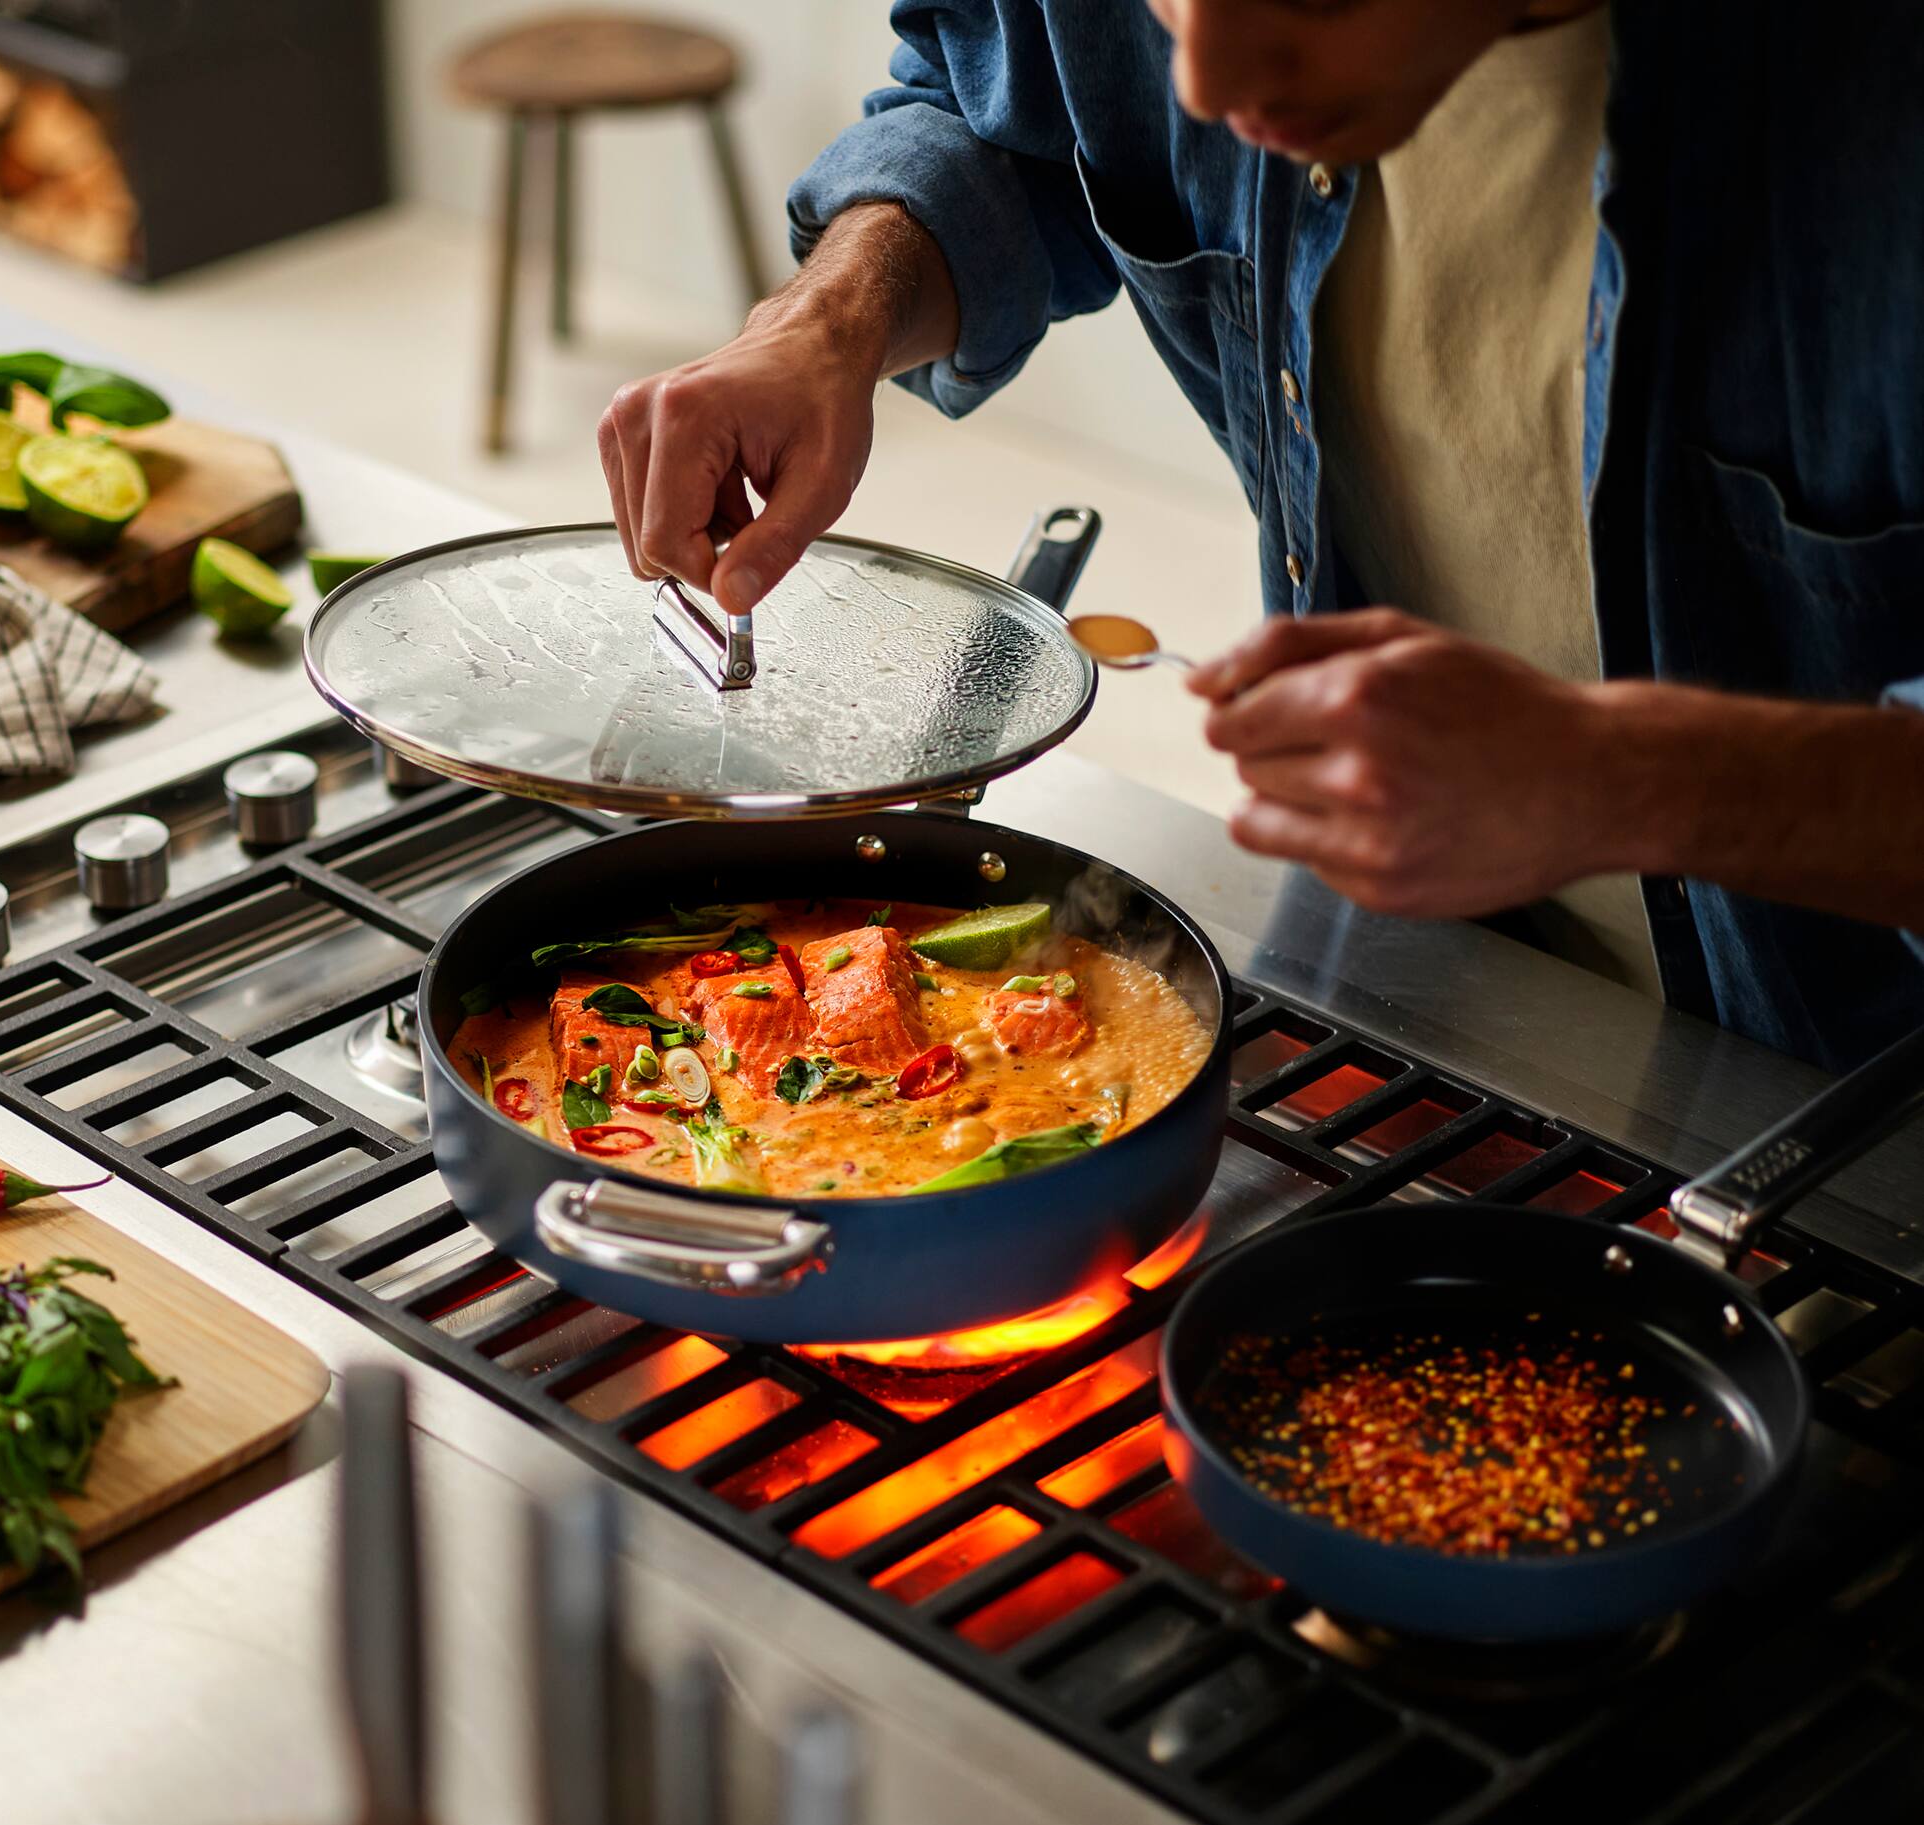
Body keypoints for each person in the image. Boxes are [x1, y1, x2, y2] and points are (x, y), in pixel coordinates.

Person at [596, 0, 1924, 1071]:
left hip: (1854, 1093)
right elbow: (1005, 120)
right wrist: (827, 320)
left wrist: (1628, 781)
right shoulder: (1205, 39)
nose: (1205, 80)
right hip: (1419, 967)